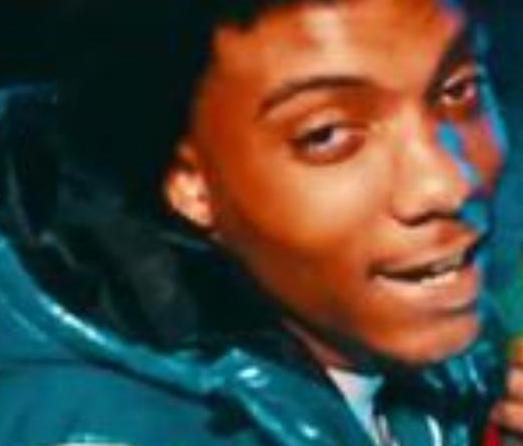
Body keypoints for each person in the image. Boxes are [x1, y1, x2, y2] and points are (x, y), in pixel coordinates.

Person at [0, 0, 522, 445]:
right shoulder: (107, 428)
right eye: (326, 135)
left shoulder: (400, 320)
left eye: (459, 91)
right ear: (191, 182)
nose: (449, 183)